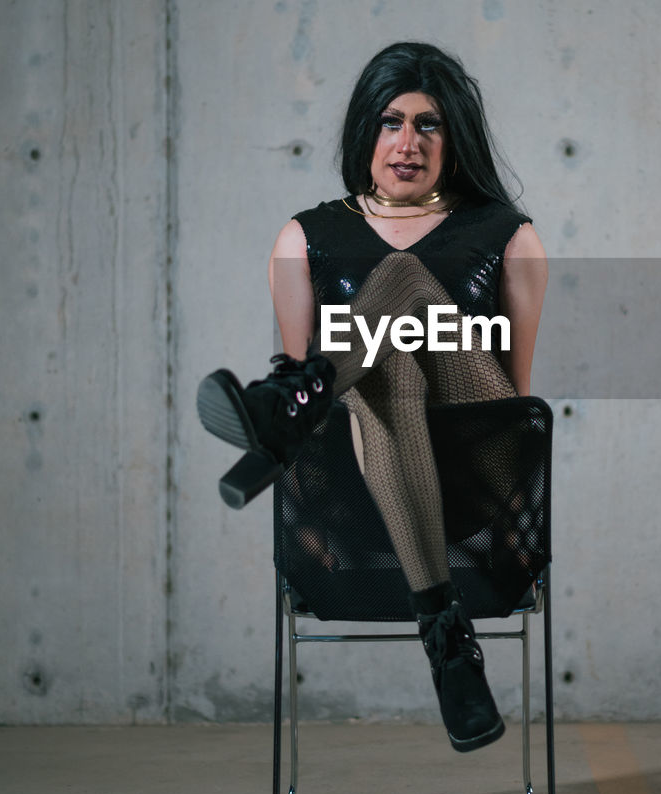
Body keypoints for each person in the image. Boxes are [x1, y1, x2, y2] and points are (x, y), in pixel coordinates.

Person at [197, 41, 548, 752]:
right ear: (366, 132)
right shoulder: (306, 237)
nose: (408, 143)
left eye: (429, 124)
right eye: (391, 122)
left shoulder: (508, 236)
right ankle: (448, 636)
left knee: (405, 282)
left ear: (455, 139)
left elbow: (516, 397)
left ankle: (279, 410)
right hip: (353, 489)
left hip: (476, 474)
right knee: (385, 369)